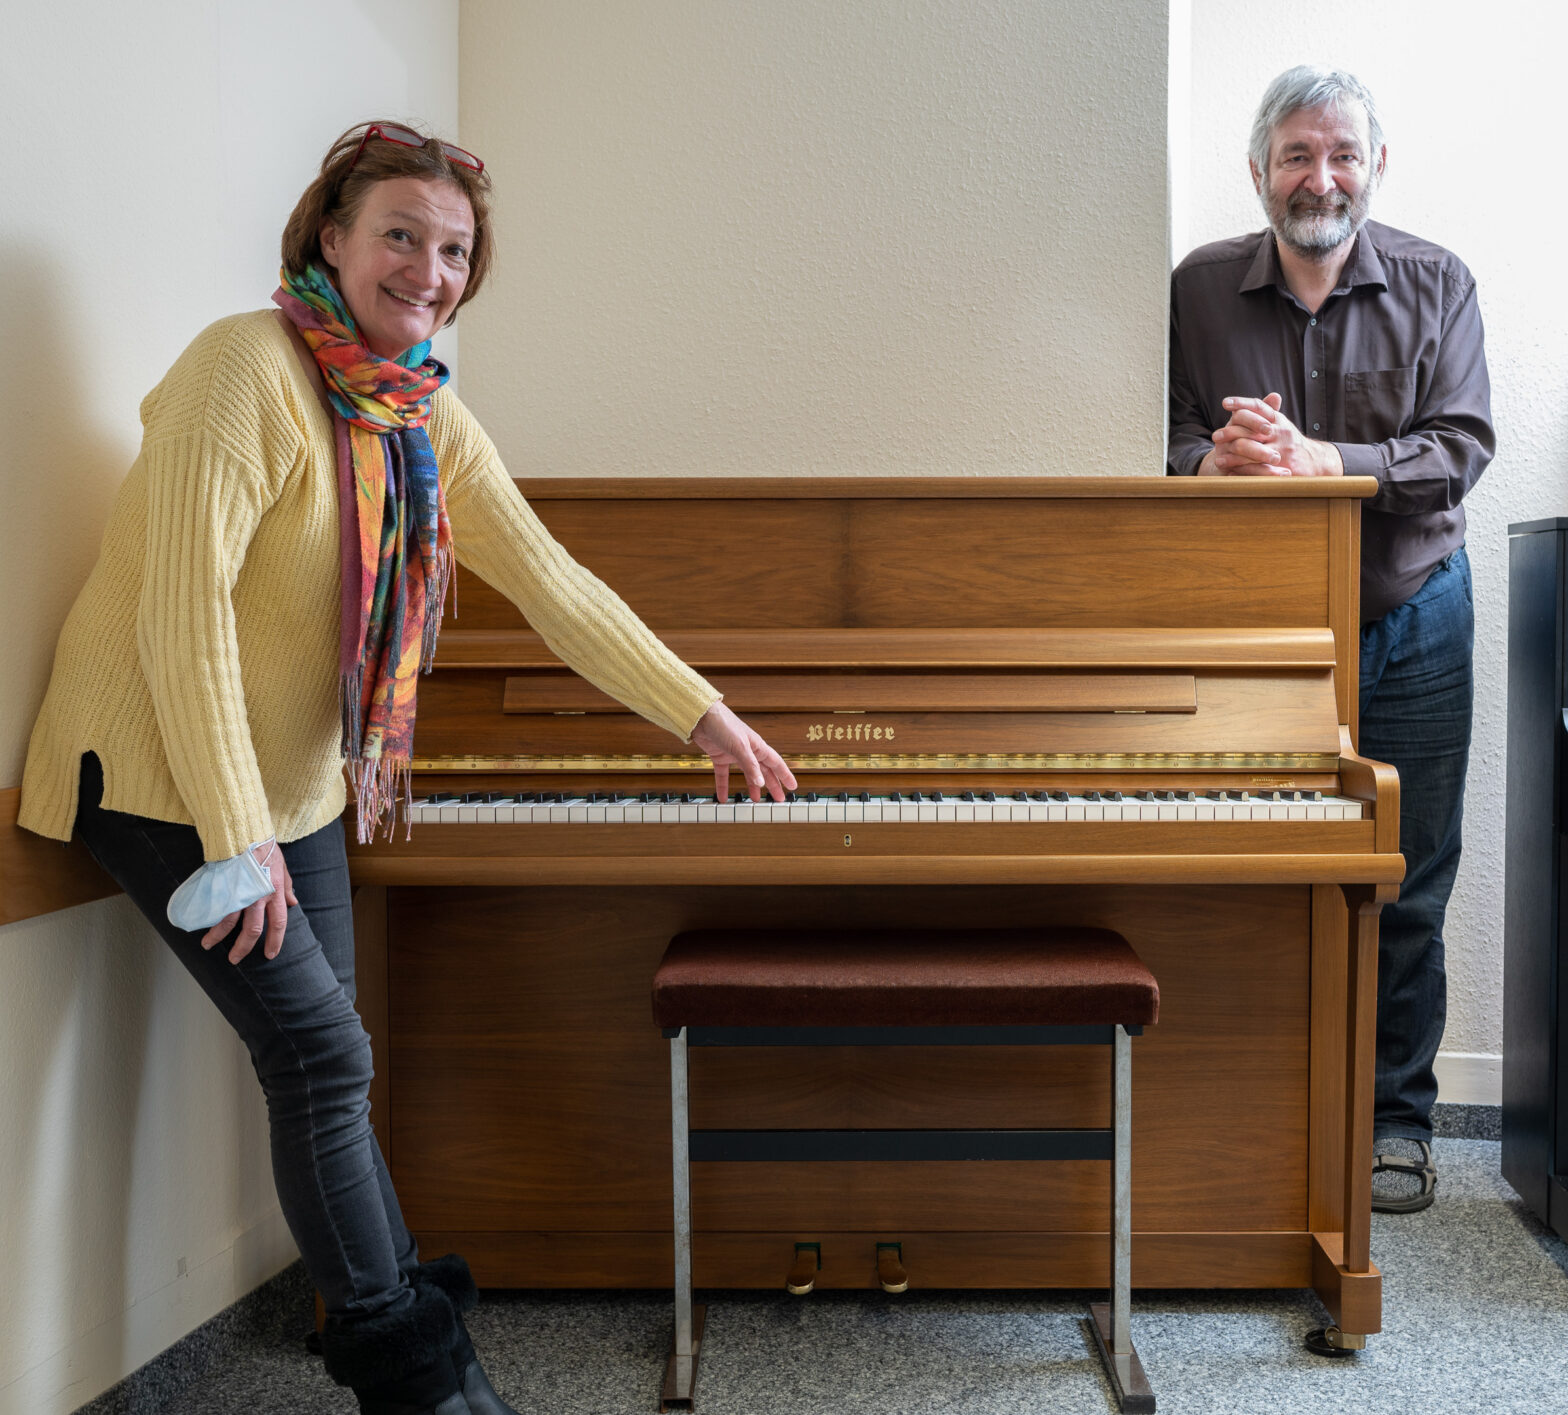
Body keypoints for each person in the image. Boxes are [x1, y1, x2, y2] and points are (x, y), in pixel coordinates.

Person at [18, 121, 796, 1415]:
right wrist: (232, 831)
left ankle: (436, 1371)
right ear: (329, 234)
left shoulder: (415, 407)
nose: (429, 270)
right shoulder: (242, 369)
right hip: (160, 773)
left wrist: (699, 712)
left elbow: (548, 578)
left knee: (330, 1061)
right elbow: (181, 610)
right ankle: (423, 1386)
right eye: (400, 235)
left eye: (454, 250)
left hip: (294, 783)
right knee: (324, 1057)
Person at [1167, 67, 1493, 1214]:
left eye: (1341, 154)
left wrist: (1325, 462)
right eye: (1297, 155)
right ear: (1257, 169)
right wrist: (1208, 463)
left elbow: (1457, 447)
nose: (1321, 177)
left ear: (1374, 166)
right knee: (1250, 871)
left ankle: (1393, 1124)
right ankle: (1259, 1112)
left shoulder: (1434, 280)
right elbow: (1150, 439)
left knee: (1405, 876)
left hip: (1413, 613)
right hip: (1254, 633)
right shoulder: (1194, 289)